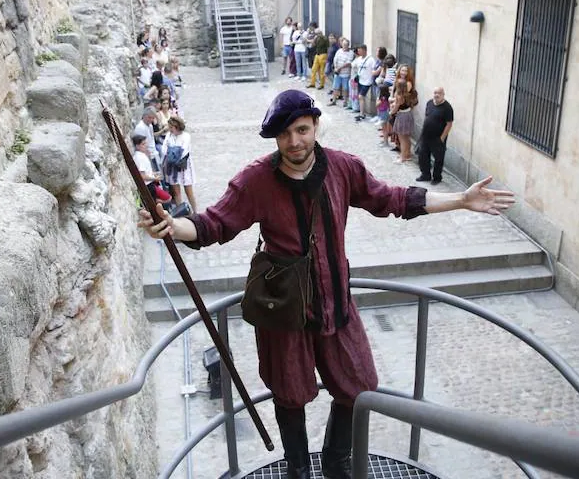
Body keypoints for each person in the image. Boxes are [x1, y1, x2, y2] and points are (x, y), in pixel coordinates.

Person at [138, 89, 514, 479]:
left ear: (315, 126)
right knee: (289, 394)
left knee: (359, 386)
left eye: (302, 130)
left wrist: (461, 200)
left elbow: (393, 198)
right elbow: (213, 224)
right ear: (275, 138)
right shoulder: (256, 181)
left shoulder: (342, 168)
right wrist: (172, 227)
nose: (295, 141)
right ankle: (298, 469)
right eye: (285, 135)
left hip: (337, 305)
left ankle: (337, 461)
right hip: (285, 313)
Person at [160, 115, 197, 213]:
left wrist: (172, 151)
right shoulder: (169, 135)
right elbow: (164, 149)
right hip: (172, 165)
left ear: (177, 127)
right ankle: (181, 212)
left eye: (171, 127)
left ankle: (195, 211)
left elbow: (184, 150)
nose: (170, 129)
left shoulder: (186, 136)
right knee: (176, 192)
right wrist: (173, 151)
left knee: (188, 190)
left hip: (182, 165)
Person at [417, 87, 453, 184]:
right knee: (423, 155)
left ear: (443, 95)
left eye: (439, 93)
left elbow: (449, 124)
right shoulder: (429, 103)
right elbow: (427, 117)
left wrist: (442, 138)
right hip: (426, 136)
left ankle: (437, 178)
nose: (437, 95)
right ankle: (425, 175)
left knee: (438, 159)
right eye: (435, 92)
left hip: (438, 138)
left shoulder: (447, 107)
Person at [132, 133, 171, 203]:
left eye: (145, 143)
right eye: (143, 144)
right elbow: (142, 176)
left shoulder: (139, 155)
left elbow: (145, 172)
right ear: (137, 146)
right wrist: (155, 178)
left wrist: (154, 173)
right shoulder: (140, 158)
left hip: (149, 183)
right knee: (167, 198)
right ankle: (155, 201)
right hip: (148, 184)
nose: (146, 146)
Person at [391, 64, 416, 164]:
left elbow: (396, 106)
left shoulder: (400, 96)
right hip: (408, 113)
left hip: (402, 115)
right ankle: (407, 155)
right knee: (406, 137)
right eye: (402, 70)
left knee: (402, 138)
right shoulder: (404, 94)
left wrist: (391, 112)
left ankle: (402, 157)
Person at [354, 45, 376, 121]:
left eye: (360, 50)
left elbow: (374, 69)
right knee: (361, 97)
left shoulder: (371, 59)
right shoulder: (359, 59)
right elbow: (355, 66)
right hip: (360, 80)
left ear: (364, 50)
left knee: (360, 96)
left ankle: (361, 114)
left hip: (367, 81)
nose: (358, 52)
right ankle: (362, 112)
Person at [330, 38, 353, 106]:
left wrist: (340, 68)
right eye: (343, 44)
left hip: (345, 73)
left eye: (346, 45)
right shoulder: (339, 51)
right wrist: (336, 67)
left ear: (348, 45)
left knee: (345, 88)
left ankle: (345, 102)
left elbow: (348, 63)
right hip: (338, 73)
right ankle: (334, 100)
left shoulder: (350, 53)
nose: (344, 46)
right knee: (335, 87)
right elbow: (335, 59)